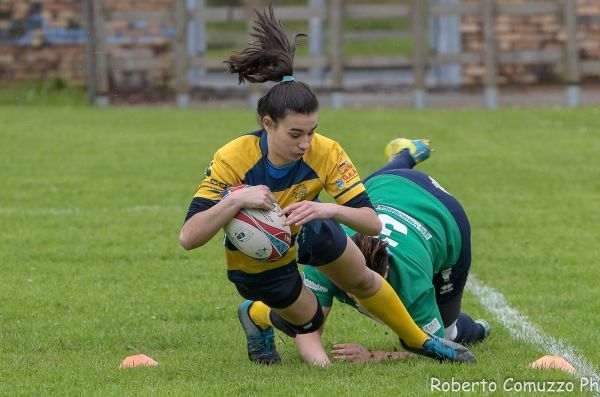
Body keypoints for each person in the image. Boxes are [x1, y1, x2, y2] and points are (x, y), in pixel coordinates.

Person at [180, 5, 474, 366]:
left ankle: (426, 343)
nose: (305, 143)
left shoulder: (326, 152)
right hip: (259, 255)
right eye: (295, 134)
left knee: (362, 277)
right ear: (268, 124)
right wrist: (235, 202)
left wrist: (328, 208)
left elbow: (372, 222)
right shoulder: (233, 158)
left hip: (309, 231)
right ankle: (254, 315)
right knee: (308, 321)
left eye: (312, 131)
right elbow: (189, 238)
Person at [295, 139, 491, 365]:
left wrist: (374, 357)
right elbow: (309, 327)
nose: (353, 295)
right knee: (365, 194)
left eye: (364, 287)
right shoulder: (326, 257)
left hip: (444, 212)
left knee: (448, 336)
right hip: (386, 186)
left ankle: (478, 328)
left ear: (384, 277)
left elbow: (435, 348)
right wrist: (322, 368)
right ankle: (405, 156)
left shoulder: (413, 286)